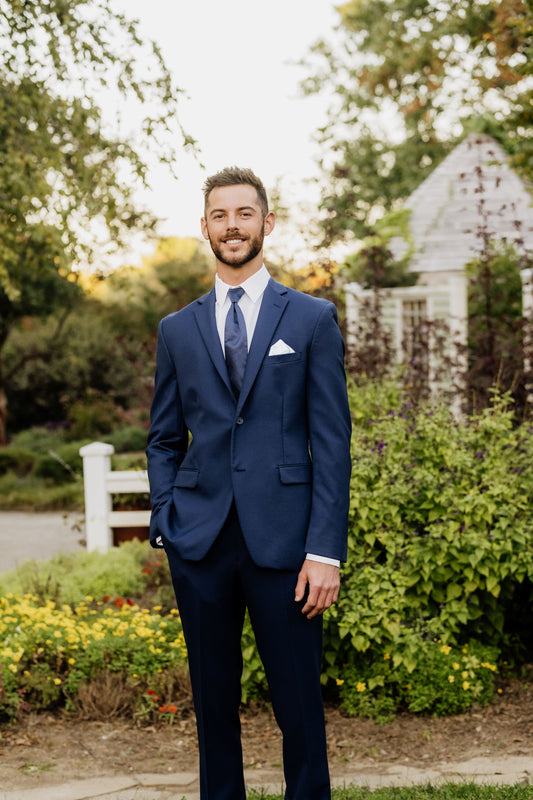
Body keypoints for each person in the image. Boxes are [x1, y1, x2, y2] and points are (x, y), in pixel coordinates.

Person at [146, 166, 352, 800]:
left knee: (298, 706)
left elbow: (333, 442)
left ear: (267, 222)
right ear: (204, 227)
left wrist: (324, 550)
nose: (231, 226)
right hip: (200, 544)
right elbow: (162, 437)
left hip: (286, 546)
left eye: (243, 214)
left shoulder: (312, 318)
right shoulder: (177, 330)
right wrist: (165, 519)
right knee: (213, 707)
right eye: (218, 215)